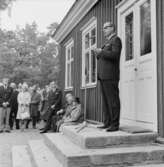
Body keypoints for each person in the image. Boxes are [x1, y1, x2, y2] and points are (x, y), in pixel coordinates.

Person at [93, 21, 122, 132]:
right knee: (106, 102)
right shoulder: (107, 42)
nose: (103, 29)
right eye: (103, 28)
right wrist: (98, 54)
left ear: (112, 28)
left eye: (106, 27)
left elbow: (115, 55)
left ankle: (114, 125)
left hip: (111, 75)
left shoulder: (116, 40)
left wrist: (101, 52)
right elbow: (104, 57)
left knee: (113, 101)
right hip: (103, 76)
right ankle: (107, 123)